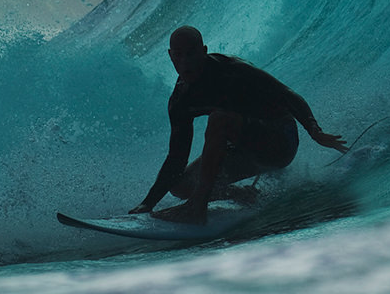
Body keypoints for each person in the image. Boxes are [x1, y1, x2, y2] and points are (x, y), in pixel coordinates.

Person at [132, 25, 347, 223]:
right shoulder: (181, 100)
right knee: (179, 185)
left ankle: (197, 207)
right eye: (178, 55)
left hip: (279, 141)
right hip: (242, 151)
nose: (185, 62)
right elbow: (176, 158)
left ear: (204, 51)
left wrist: (314, 130)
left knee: (220, 119)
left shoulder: (231, 69)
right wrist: (147, 203)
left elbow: (287, 95)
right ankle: (239, 193)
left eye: (191, 54)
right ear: (170, 56)